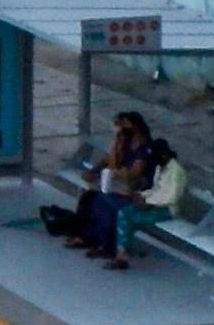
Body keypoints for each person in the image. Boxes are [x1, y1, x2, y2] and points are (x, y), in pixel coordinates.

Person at [69, 108, 165, 270]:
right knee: (90, 197)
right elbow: (111, 161)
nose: (121, 129)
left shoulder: (145, 147)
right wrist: (115, 145)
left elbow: (132, 174)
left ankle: (107, 246)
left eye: (124, 125)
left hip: (138, 192)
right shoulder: (126, 143)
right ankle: (87, 237)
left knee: (104, 202)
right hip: (121, 185)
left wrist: (115, 168)